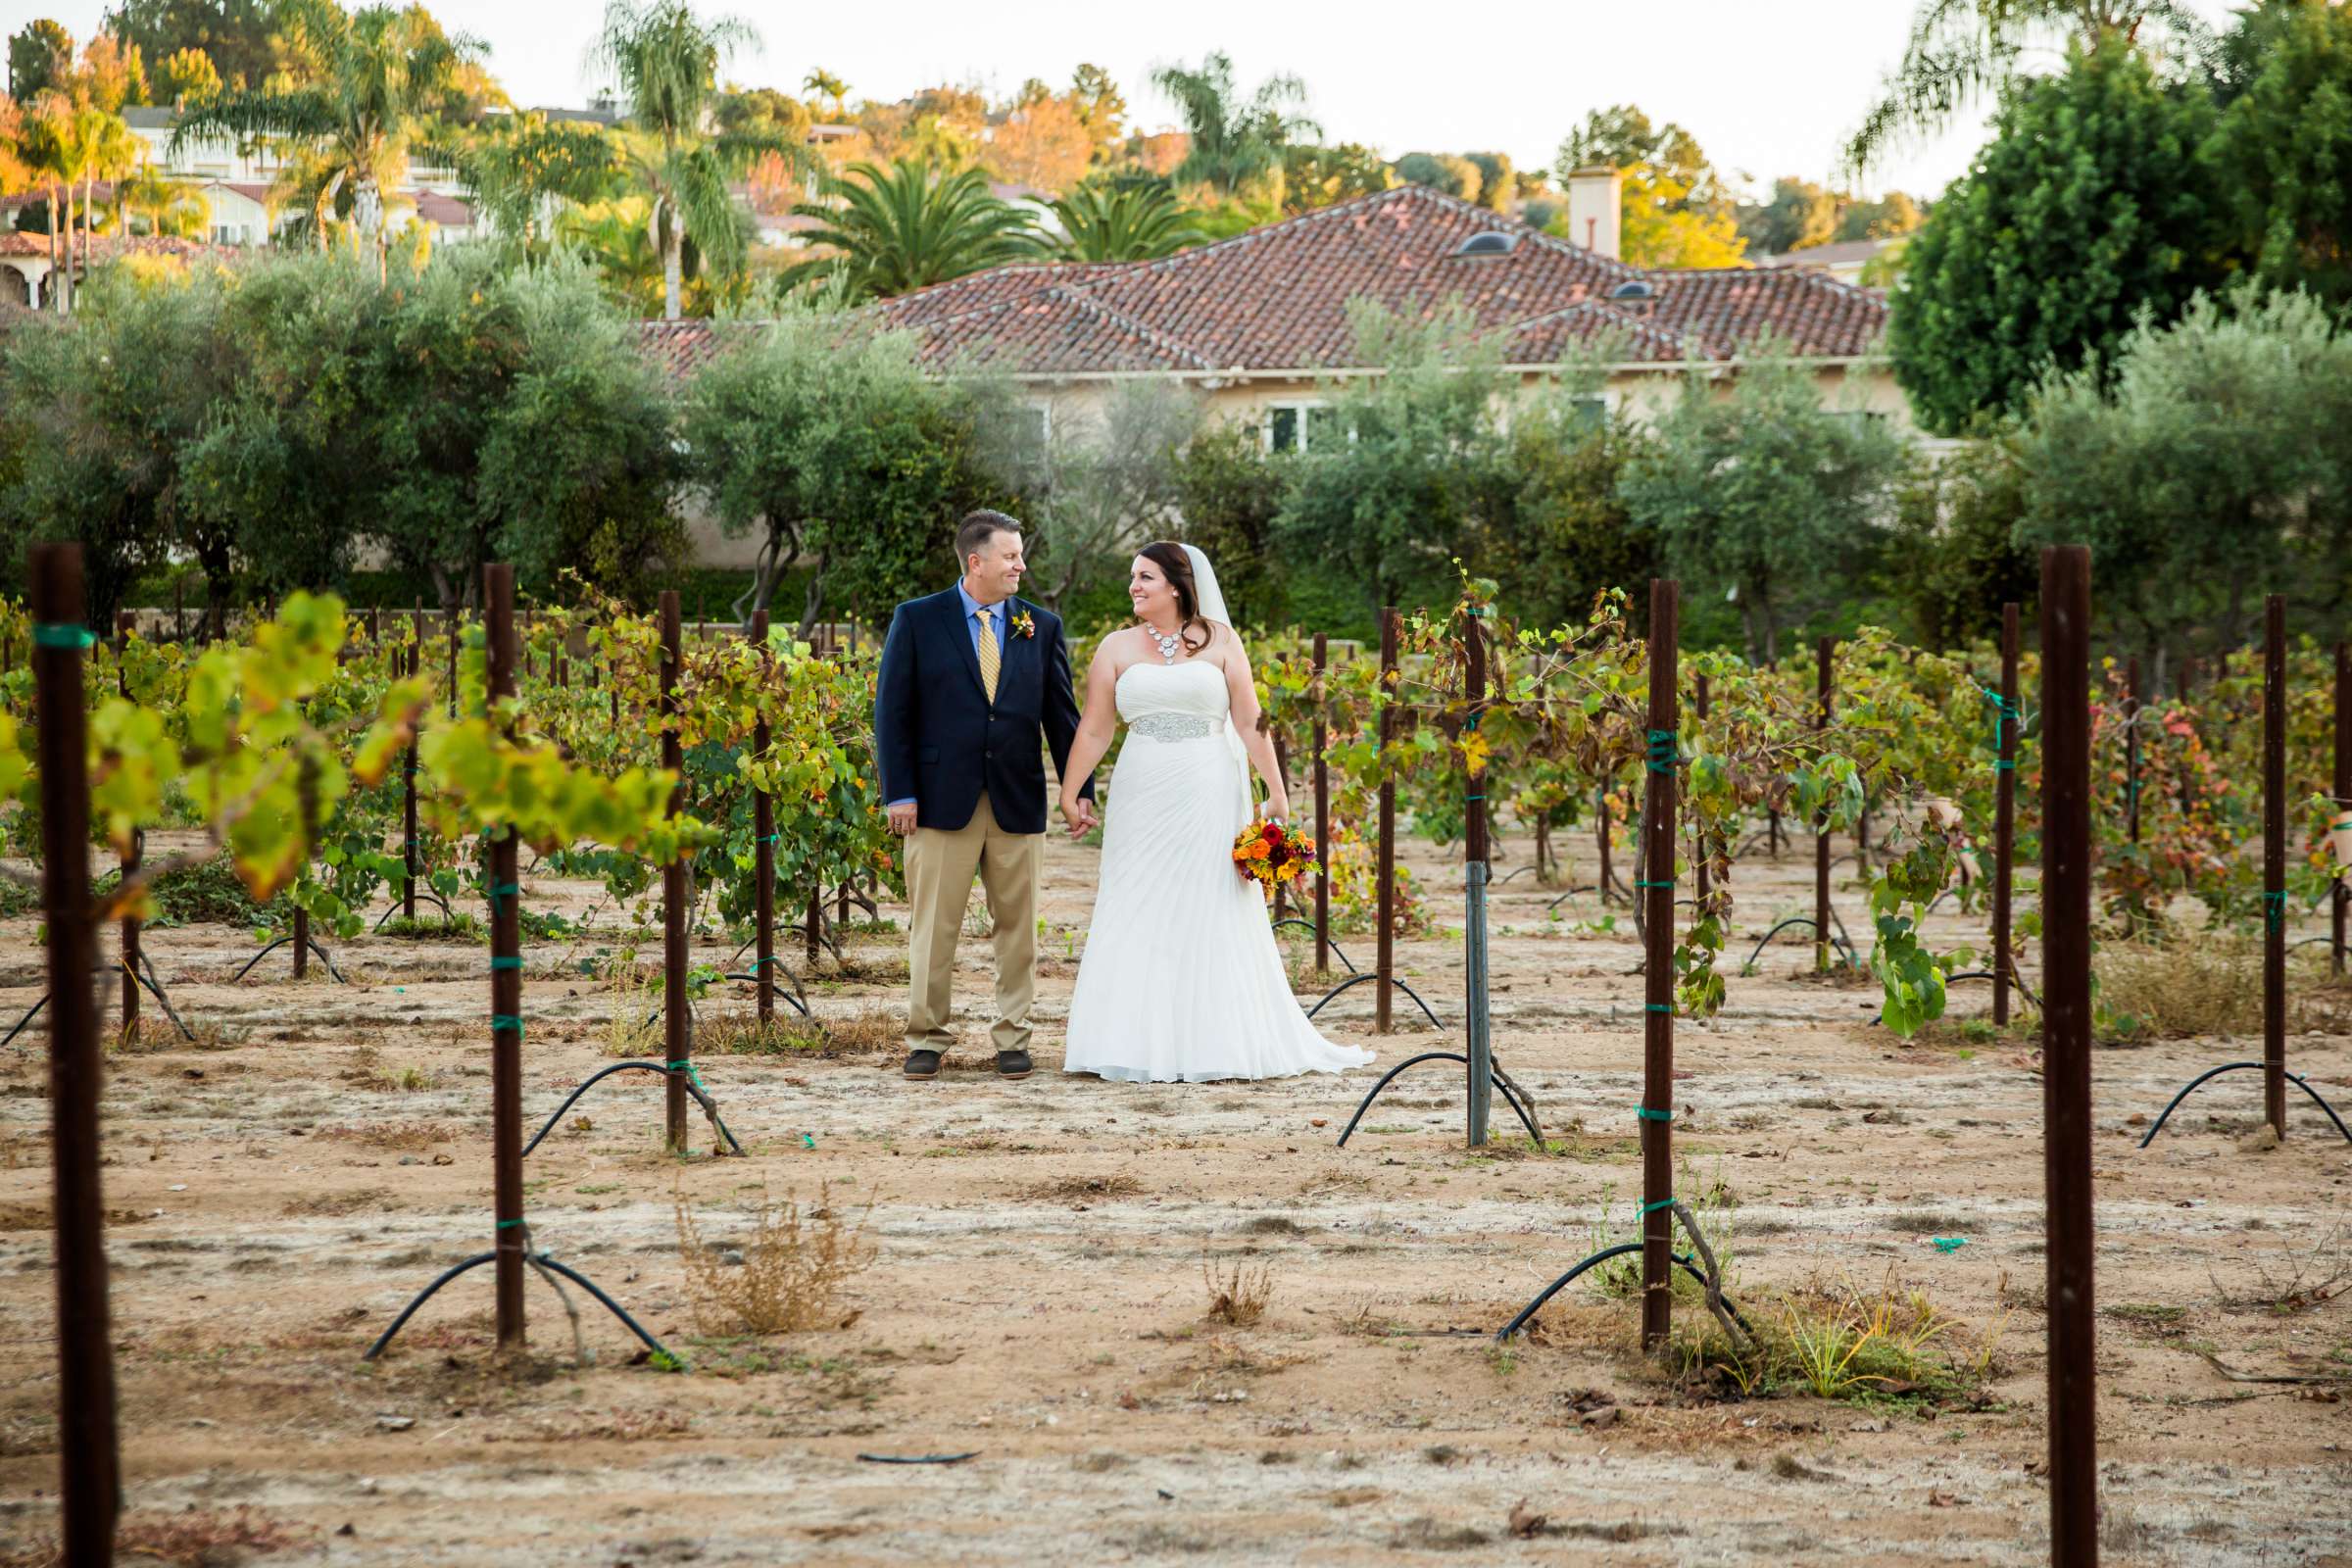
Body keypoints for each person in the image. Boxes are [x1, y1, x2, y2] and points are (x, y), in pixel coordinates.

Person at [1056, 542, 1375, 1083]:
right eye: (1133, 578)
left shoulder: (1222, 642)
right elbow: (1095, 727)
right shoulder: (1114, 647)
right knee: (1138, 897)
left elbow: (1250, 722)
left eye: (1145, 577)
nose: (1134, 586)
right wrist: (1069, 790)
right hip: (1141, 788)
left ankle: (1215, 1038)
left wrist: (1276, 791)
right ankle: (1132, 1040)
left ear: (1177, 586)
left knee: (1210, 900)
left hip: (1208, 785)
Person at [874, 512, 1095, 1081]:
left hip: (1017, 799)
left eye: (1020, 556)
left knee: (1018, 927)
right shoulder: (918, 620)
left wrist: (1079, 790)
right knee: (934, 926)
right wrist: (898, 792)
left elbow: (1063, 719)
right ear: (976, 562)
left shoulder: (1040, 626)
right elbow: (892, 715)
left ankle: (1013, 1037)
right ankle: (926, 1037)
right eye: (1011, 556)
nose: (1021, 565)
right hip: (937, 800)